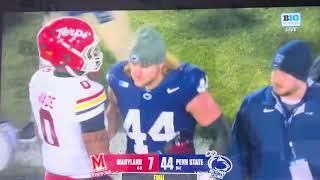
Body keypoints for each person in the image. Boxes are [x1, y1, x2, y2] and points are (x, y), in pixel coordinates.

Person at [106, 26, 229, 154]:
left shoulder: (184, 85)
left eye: (145, 66)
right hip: (136, 169)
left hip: (177, 170)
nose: (136, 72)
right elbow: (112, 115)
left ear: (161, 63)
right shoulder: (119, 81)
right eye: (133, 63)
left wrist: (210, 170)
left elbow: (222, 134)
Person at [29, 17, 110, 179]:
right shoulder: (88, 92)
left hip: (52, 172)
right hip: (82, 174)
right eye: (89, 50)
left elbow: (39, 128)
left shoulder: (38, 78)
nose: (94, 53)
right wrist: (103, 176)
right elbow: (95, 144)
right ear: (68, 56)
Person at [226, 40, 320, 179]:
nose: (276, 78)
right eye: (274, 70)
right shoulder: (253, 104)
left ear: (301, 76)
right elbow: (236, 158)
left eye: (284, 73)